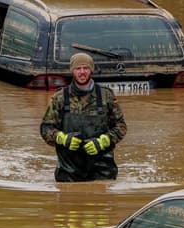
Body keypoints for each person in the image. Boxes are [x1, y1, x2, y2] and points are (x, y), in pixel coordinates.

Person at [40, 52, 127, 182]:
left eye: (85, 68)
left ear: (91, 70)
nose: (82, 72)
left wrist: (104, 141)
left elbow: (121, 126)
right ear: (72, 71)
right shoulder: (60, 97)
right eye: (78, 68)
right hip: (68, 171)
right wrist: (62, 138)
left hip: (103, 170)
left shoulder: (106, 96)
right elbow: (45, 128)